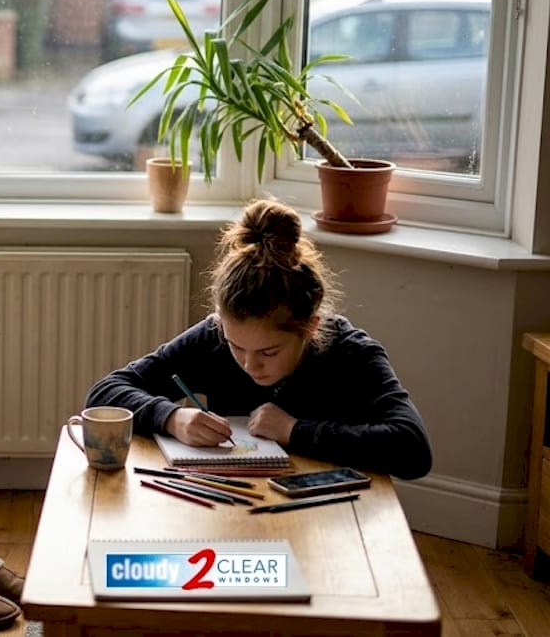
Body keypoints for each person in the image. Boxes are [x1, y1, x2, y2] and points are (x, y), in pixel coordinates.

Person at [85, 198, 432, 480]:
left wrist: (295, 431)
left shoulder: (350, 353)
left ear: (309, 327)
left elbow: (413, 450)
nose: (250, 365)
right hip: (229, 498)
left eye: (268, 351)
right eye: (237, 347)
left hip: (328, 509)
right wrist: (171, 418)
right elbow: (105, 392)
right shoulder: (213, 337)